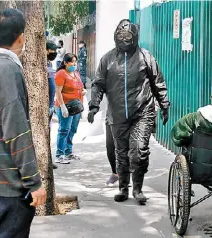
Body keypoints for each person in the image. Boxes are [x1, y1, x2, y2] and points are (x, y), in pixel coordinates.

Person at [88, 19, 170, 205]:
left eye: (128, 36)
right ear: (115, 37)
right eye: (121, 36)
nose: (124, 39)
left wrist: (164, 105)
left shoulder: (145, 57)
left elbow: (158, 82)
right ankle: (123, 188)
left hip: (142, 112)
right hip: (117, 114)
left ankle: (138, 189)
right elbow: (98, 84)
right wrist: (94, 105)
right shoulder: (107, 59)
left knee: (139, 151)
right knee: (121, 153)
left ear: (135, 37)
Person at [0, 8, 46, 238]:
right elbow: (16, 131)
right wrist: (34, 182)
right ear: (21, 37)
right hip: (7, 188)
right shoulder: (8, 70)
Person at [54, 53, 85, 164]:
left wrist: (83, 91)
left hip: (76, 107)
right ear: (65, 63)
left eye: (75, 62)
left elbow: (80, 86)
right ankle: (59, 154)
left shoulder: (75, 73)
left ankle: (68, 152)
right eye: (72, 62)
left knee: (72, 129)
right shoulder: (61, 74)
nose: (74, 64)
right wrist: (62, 106)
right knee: (64, 130)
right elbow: (58, 91)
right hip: (65, 106)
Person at [46, 40, 58, 170]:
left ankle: (49, 160)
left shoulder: (49, 63)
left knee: (48, 134)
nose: (54, 53)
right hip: (46, 104)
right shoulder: (40, 63)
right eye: (51, 51)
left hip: (50, 104)